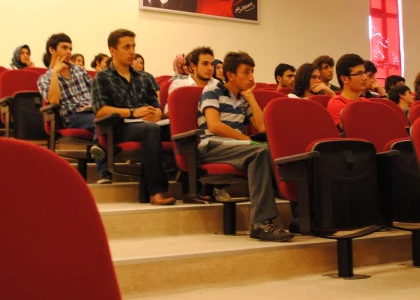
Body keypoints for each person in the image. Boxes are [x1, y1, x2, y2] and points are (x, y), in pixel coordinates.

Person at [197, 51, 294, 242]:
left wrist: (250, 97)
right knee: (260, 151)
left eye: (252, 72)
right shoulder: (212, 90)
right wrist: (245, 139)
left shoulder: (242, 98)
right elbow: (214, 125)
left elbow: (261, 126)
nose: (251, 78)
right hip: (211, 147)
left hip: (236, 147)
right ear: (230, 75)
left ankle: (298, 215)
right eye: (246, 72)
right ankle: (260, 223)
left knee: (277, 150)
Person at [91, 29, 176, 206]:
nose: (132, 51)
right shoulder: (102, 77)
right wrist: (132, 112)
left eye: (133, 46)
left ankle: (194, 187)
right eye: (126, 47)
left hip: (146, 123)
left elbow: (157, 104)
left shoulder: (144, 77)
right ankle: (156, 192)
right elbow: (100, 110)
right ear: (113, 50)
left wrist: (156, 114)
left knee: (180, 130)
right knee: (150, 129)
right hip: (120, 127)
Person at [36, 33, 109, 183]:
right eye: (64, 48)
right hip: (73, 115)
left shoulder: (79, 71)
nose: (69, 52)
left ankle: (99, 147)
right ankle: (104, 173)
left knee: (109, 116)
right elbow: (54, 100)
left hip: (91, 109)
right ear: (51, 50)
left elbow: (96, 91)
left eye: (70, 48)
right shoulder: (44, 78)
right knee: (100, 121)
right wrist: (55, 73)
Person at [164, 46, 216, 115]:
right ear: (193, 66)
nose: (210, 68)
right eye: (205, 64)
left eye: (212, 64)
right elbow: (169, 112)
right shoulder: (180, 86)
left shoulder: (218, 85)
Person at [326, 54, 368, 130]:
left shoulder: (364, 101)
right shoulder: (336, 103)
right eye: (359, 74)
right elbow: (353, 130)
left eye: (364, 73)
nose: (365, 78)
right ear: (344, 79)